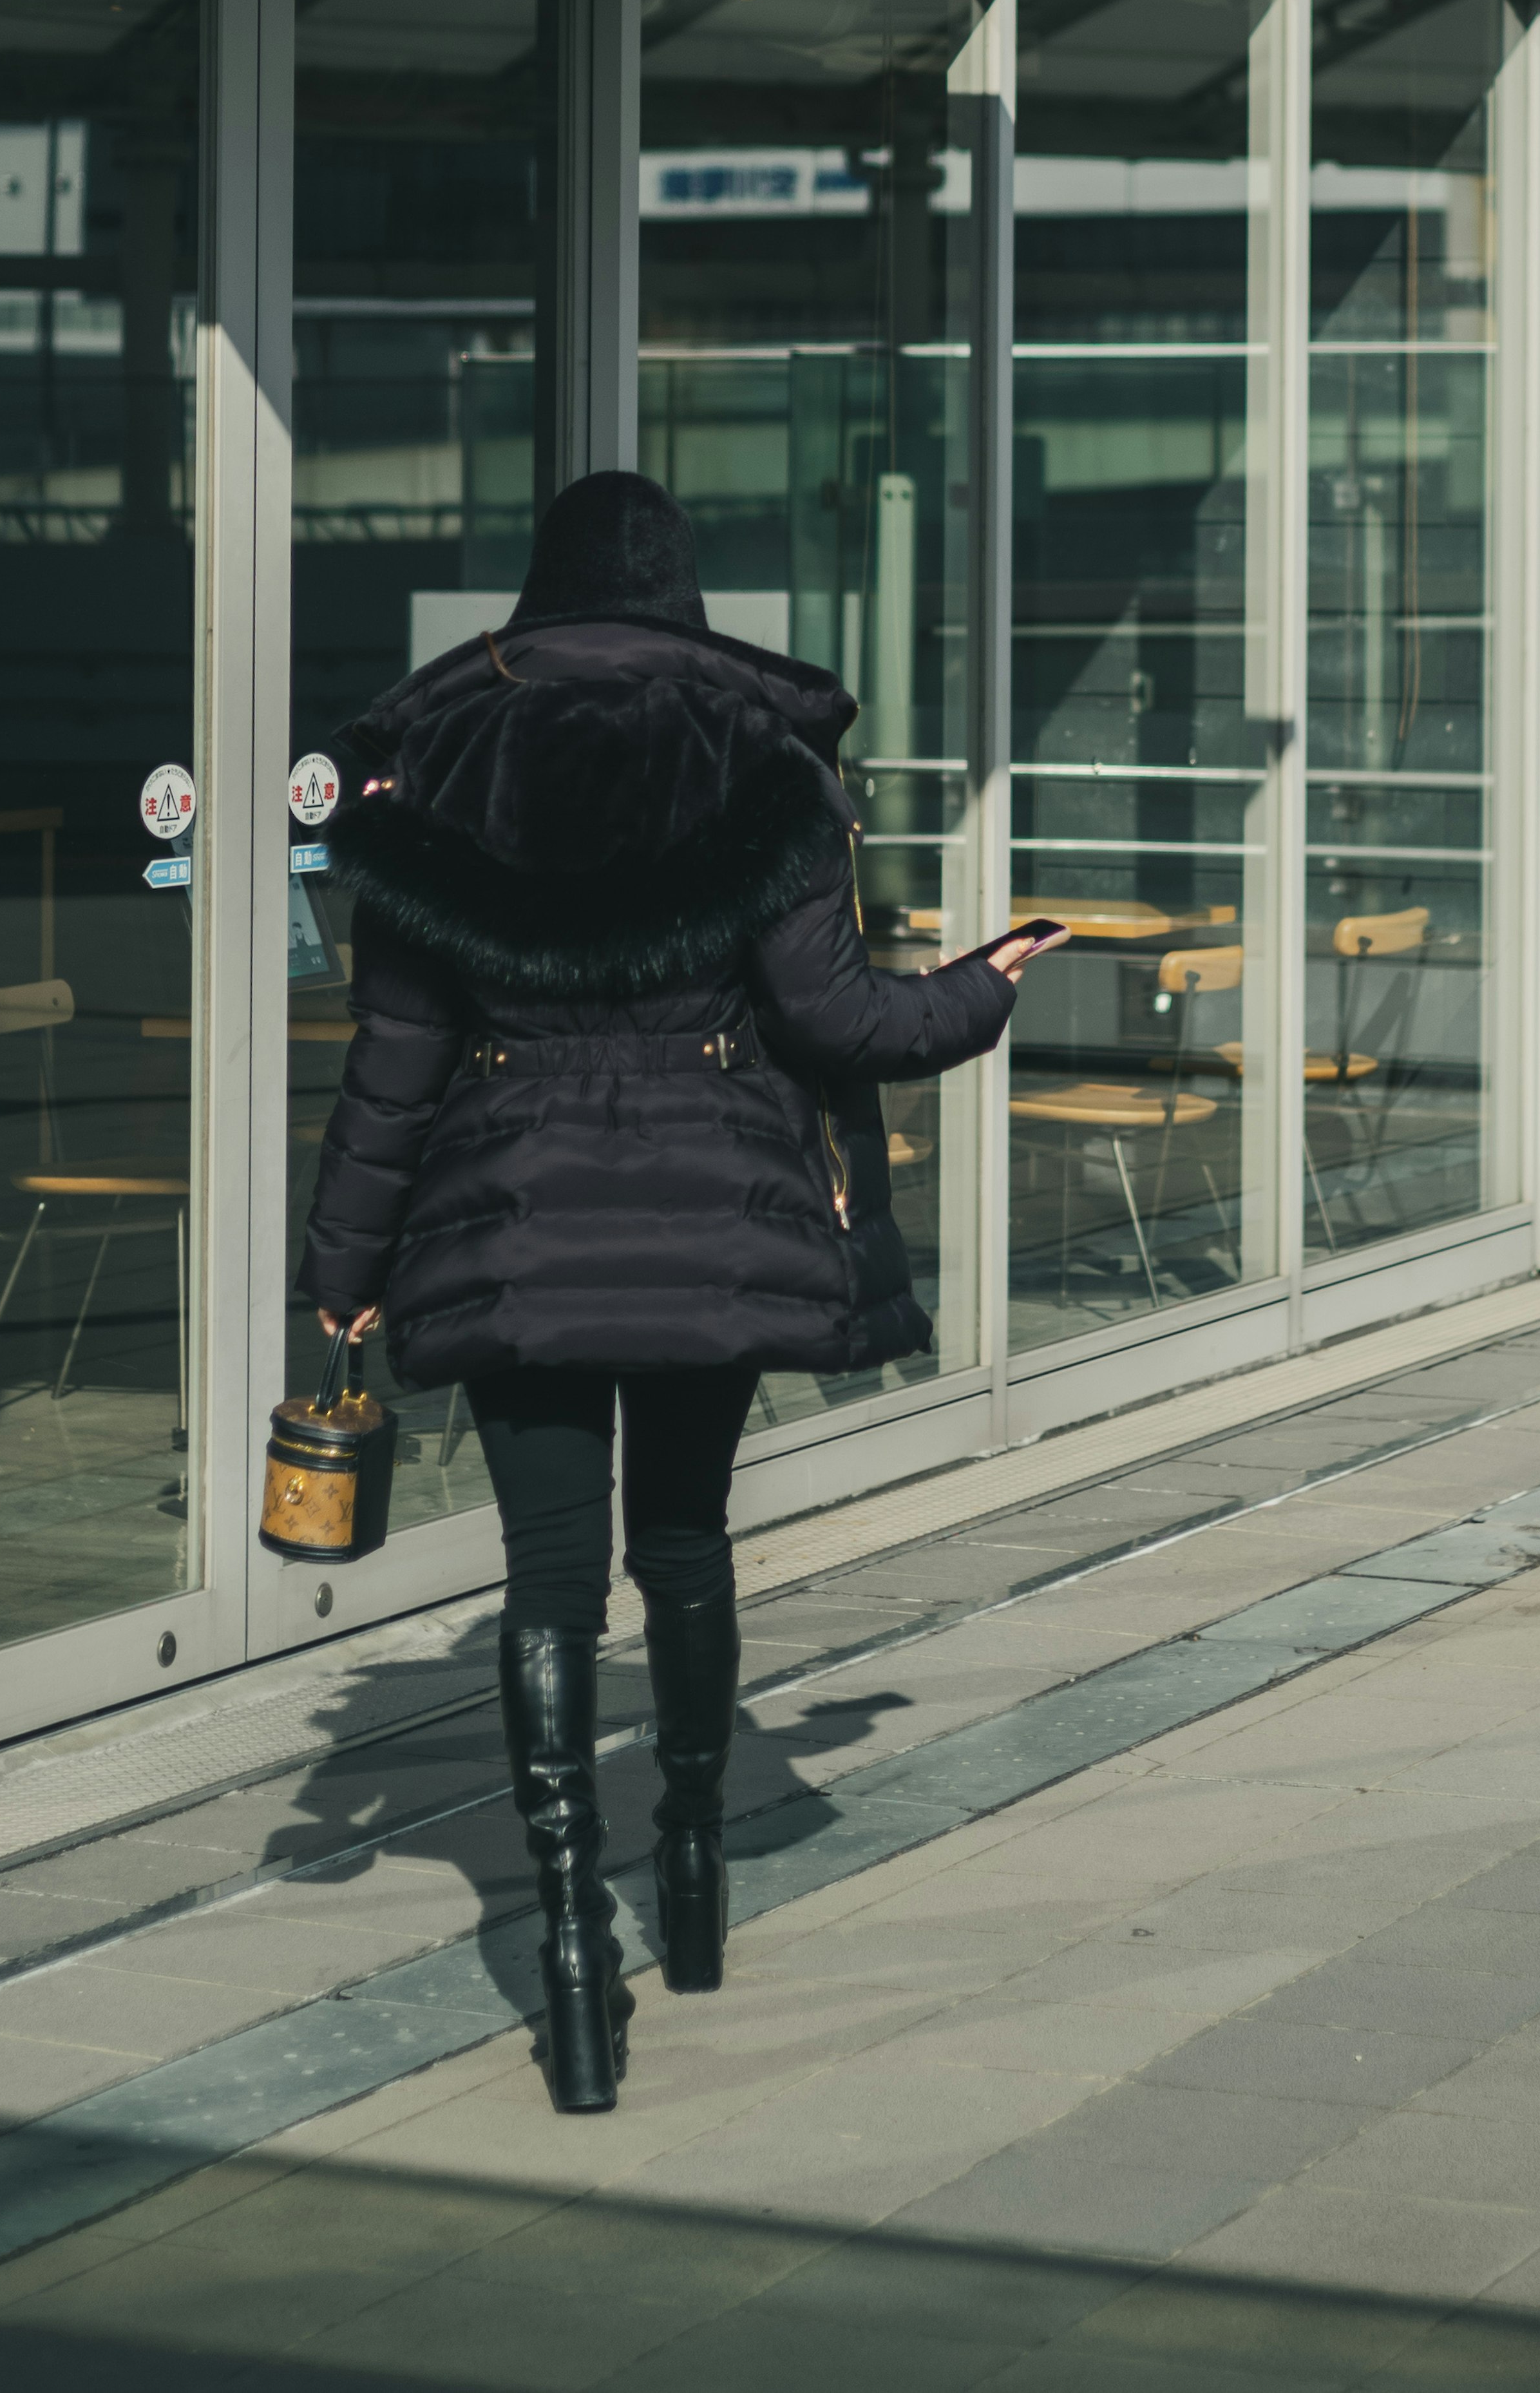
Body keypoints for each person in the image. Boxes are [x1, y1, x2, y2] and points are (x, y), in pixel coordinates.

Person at [297, 470, 1063, 2114]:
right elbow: (839, 1022)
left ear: (539, 587)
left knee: (551, 1581)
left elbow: (394, 1070)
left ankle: (574, 1945)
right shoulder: (755, 755)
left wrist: (343, 1273)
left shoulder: (441, 758)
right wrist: (979, 994)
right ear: (679, 592)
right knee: (689, 1545)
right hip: (713, 1214)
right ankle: (694, 1864)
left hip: (507, 1226)